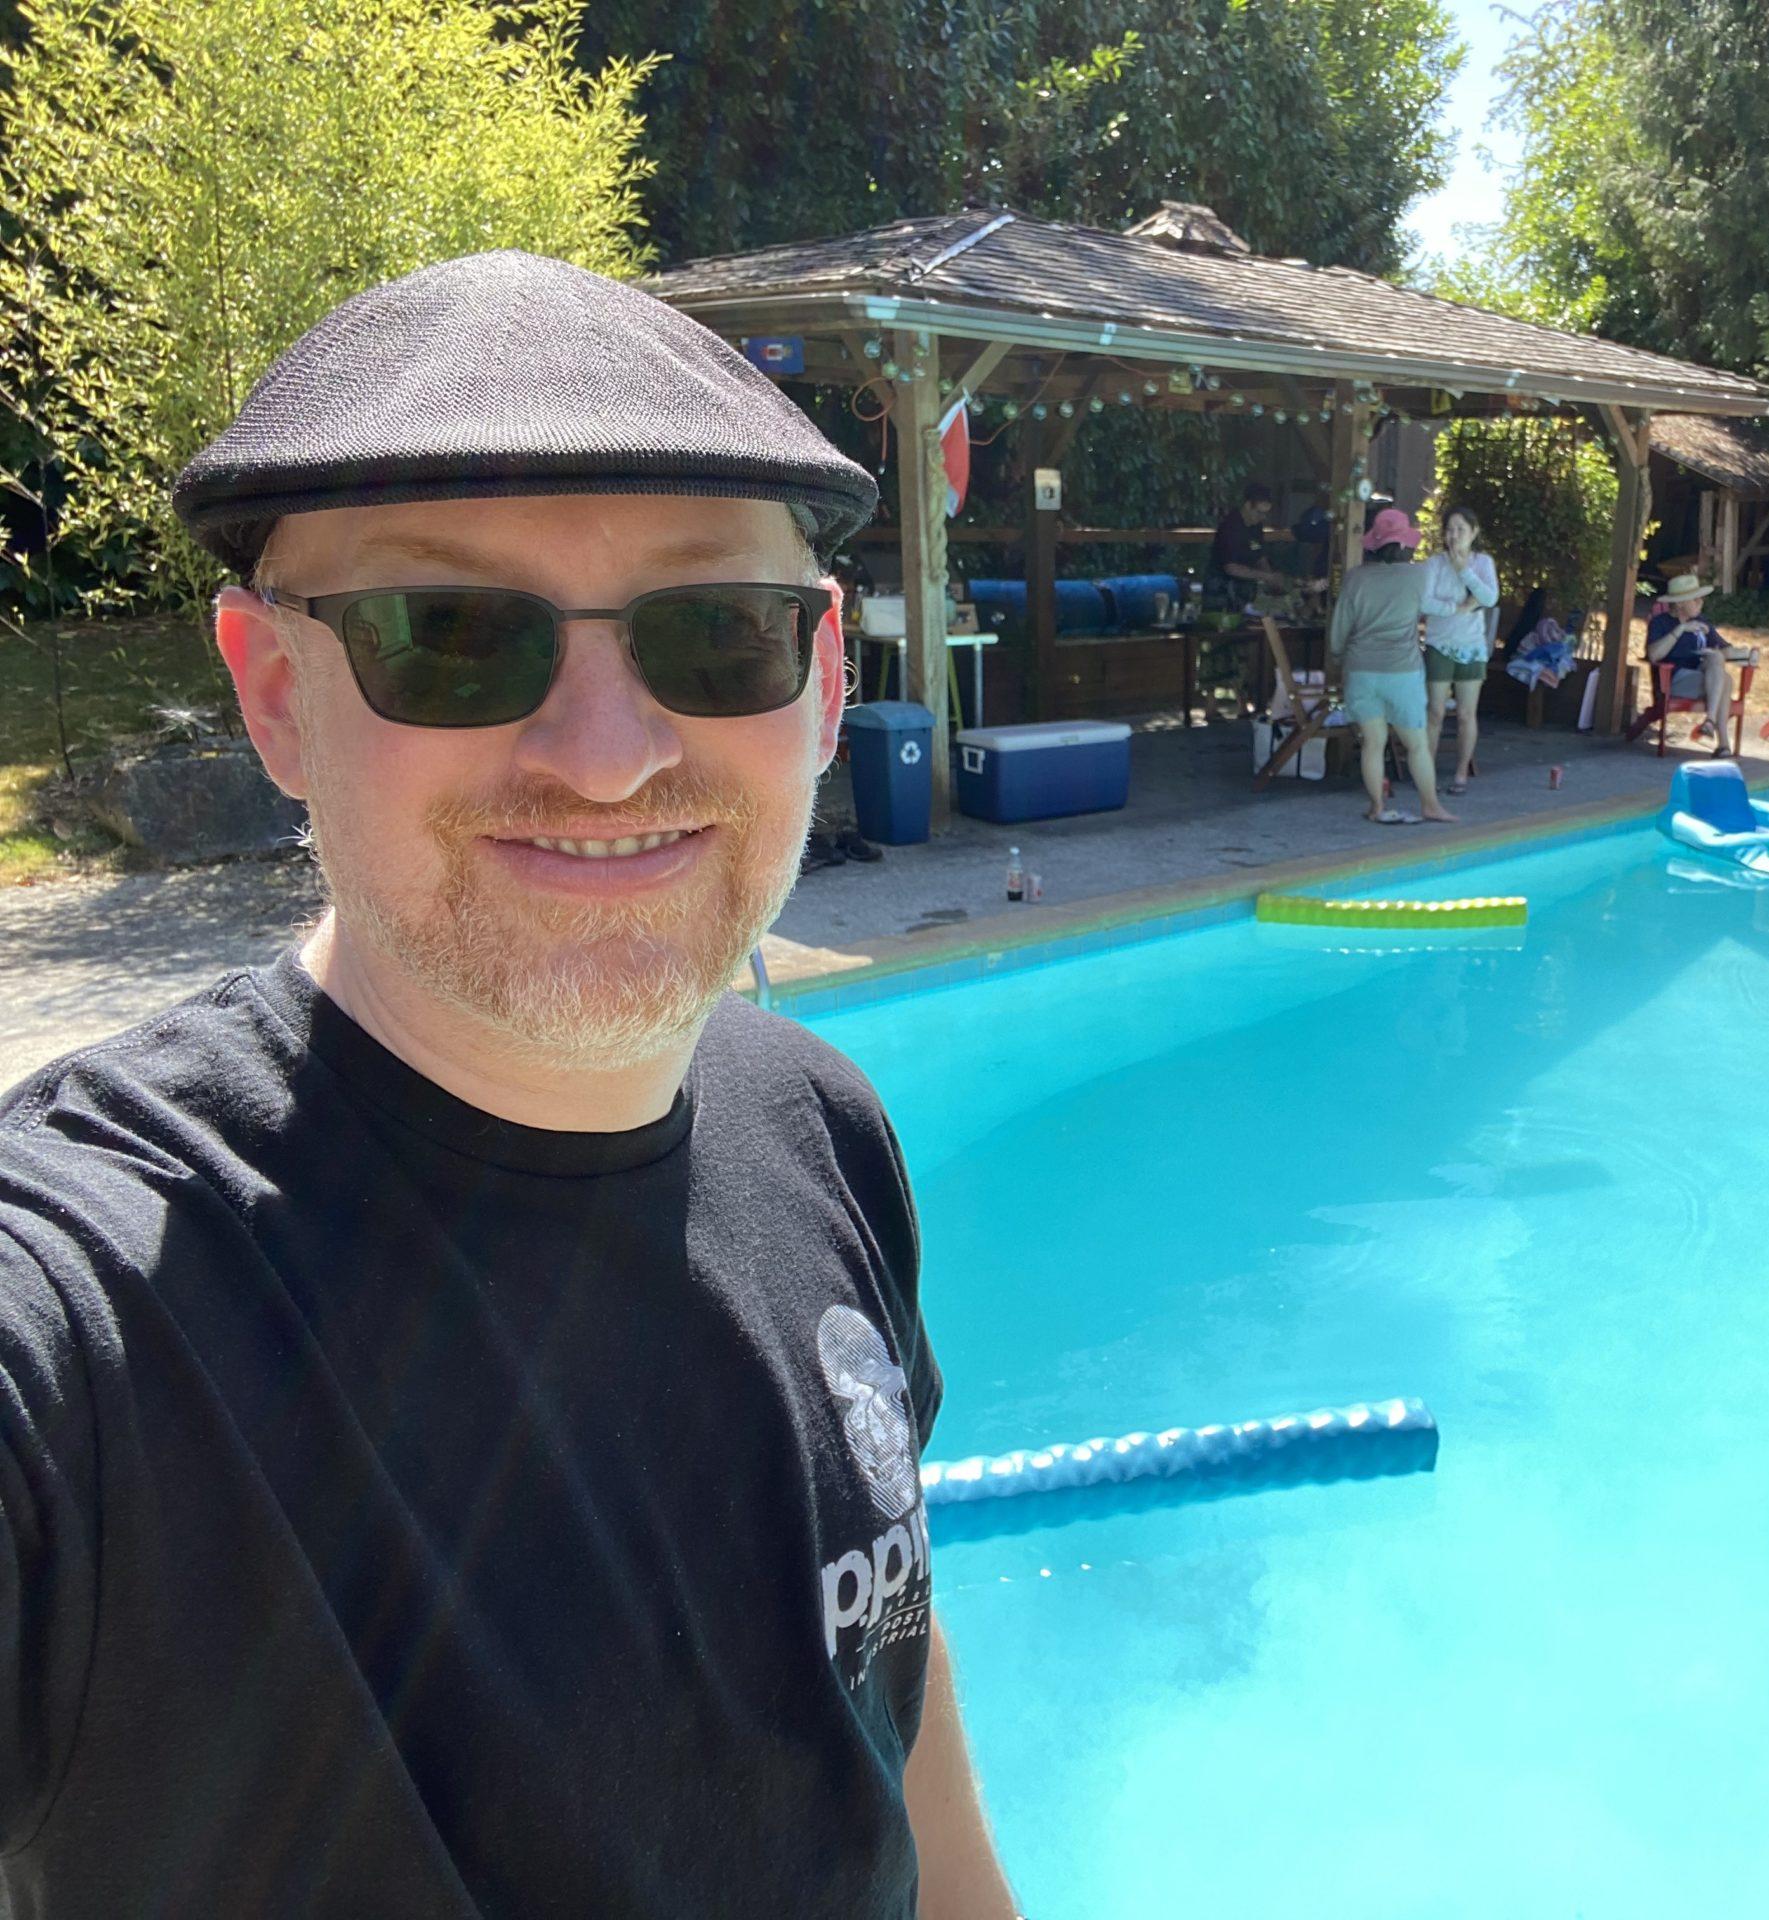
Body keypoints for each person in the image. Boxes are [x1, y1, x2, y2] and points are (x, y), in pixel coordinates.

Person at [0, 253, 1014, 1915]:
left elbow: (889, 1673)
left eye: (718, 632)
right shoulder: (87, 1309)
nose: (606, 755)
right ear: (273, 692)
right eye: (453, 636)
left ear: (823, 682)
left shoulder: (825, 1133)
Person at [1327, 506, 1453, 824]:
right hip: (1403, 672)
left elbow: (1339, 631)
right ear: (1406, 545)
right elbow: (1436, 604)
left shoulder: (1356, 578)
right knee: (1416, 744)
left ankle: (1377, 807)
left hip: (1361, 671)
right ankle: (1430, 805)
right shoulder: (1418, 575)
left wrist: (1340, 654)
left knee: (1372, 743)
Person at [1419, 503, 1498, 791]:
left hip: (1471, 646)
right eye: (1450, 529)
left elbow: (1489, 598)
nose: (1454, 535)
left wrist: (1463, 570)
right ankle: (1425, 769)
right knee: (1436, 711)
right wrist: (1458, 608)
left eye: (1461, 530)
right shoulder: (1433, 564)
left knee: (1466, 713)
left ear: (1473, 532)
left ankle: (1461, 772)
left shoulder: (1483, 563)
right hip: (1440, 643)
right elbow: (1424, 602)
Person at [1623, 571, 1738, 751]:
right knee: (1726, 681)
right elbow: (1654, 655)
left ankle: (1710, 722)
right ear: (1680, 603)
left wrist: (1733, 652)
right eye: (1695, 599)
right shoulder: (1661, 623)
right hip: (1674, 680)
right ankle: (1722, 743)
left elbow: (1727, 649)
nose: (1701, 602)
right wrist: (1681, 629)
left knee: (1717, 658)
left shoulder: (1701, 622)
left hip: (1705, 679)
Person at [1211, 480, 1288, 604]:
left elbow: (1260, 556)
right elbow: (1231, 568)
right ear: (1247, 505)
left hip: (1244, 591)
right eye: (1259, 513)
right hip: (1221, 591)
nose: (1262, 517)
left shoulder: (1256, 527)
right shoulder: (1230, 527)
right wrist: (1267, 576)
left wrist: (1273, 581)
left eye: (1265, 514)